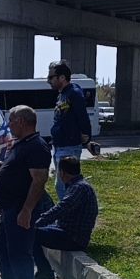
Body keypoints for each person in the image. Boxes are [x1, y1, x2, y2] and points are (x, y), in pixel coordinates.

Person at [0, 105, 51, 279]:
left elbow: (39, 180)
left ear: (21, 121)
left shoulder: (37, 146)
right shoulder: (22, 144)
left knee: (20, 254)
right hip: (10, 208)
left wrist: (27, 210)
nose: (9, 125)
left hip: (21, 210)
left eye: (11, 121)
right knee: (4, 251)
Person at [31, 156, 99, 279]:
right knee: (36, 228)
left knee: (32, 233)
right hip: (67, 231)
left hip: (74, 238)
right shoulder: (78, 186)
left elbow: (61, 209)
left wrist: (39, 222)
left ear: (62, 172)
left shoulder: (79, 188)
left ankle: (45, 272)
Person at [47, 60, 94, 201]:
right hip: (59, 146)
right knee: (61, 186)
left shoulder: (74, 93)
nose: (48, 81)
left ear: (62, 77)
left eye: (51, 77)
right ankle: (68, 215)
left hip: (69, 146)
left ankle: (69, 216)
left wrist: (88, 139)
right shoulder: (62, 94)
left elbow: (83, 117)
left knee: (63, 186)